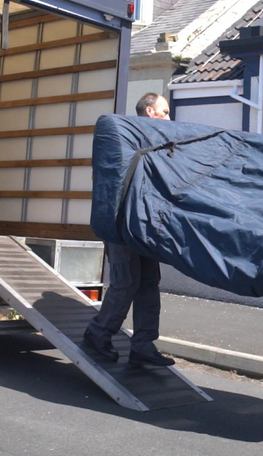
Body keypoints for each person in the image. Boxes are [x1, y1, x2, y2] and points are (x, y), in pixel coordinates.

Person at [83, 93, 175, 367]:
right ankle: (98, 333)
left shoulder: (157, 142)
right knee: (126, 282)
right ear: (149, 112)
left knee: (148, 283)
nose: (169, 117)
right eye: (165, 111)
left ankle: (143, 345)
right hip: (120, 223)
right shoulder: (124, 138)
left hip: (146, 223)